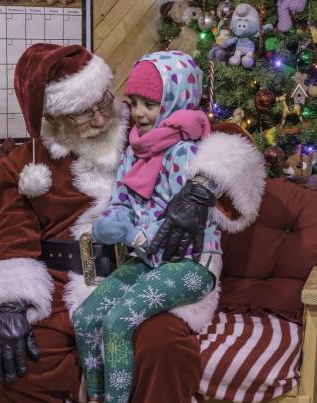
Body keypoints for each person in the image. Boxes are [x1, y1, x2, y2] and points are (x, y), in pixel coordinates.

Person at [0, 43, 266, 403]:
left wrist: (201, 188)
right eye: (81, 114)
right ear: (52, 116)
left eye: (103, 101)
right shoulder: (27, 165)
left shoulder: (146, 124)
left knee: (162, 348)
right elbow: (13, 238)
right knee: (14, 359)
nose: (102, 119)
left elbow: (229, 139)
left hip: (147, 270)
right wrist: (10, 302)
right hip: (60, 284)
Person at [73, 51, 222, 403]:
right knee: (86, 316)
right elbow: (124, 199)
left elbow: (177, 219)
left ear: (175, 100)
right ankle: (93, 395)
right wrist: (113, 221)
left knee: (117, 322)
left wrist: (135, 233)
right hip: (147, 260)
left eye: (150, 104)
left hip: (189, 263)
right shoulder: (135, 151)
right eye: (134, 102)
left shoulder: (188, 154)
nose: (139, 113)